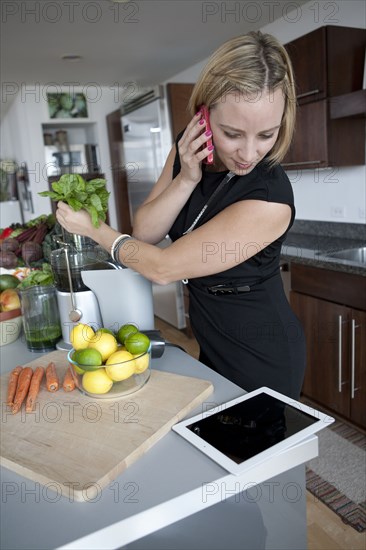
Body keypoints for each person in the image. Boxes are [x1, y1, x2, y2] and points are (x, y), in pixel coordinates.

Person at [56, 31, 306, 400]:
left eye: (267, 134)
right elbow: (145, 231)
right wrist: (187, 178)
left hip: (262, 350)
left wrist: (96, 230)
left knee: (259, 450)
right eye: (232, 133)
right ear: (204, 116)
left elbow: (163, 268)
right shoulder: (188, 149)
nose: (249, 153)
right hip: (210, 336)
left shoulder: (269, 195)